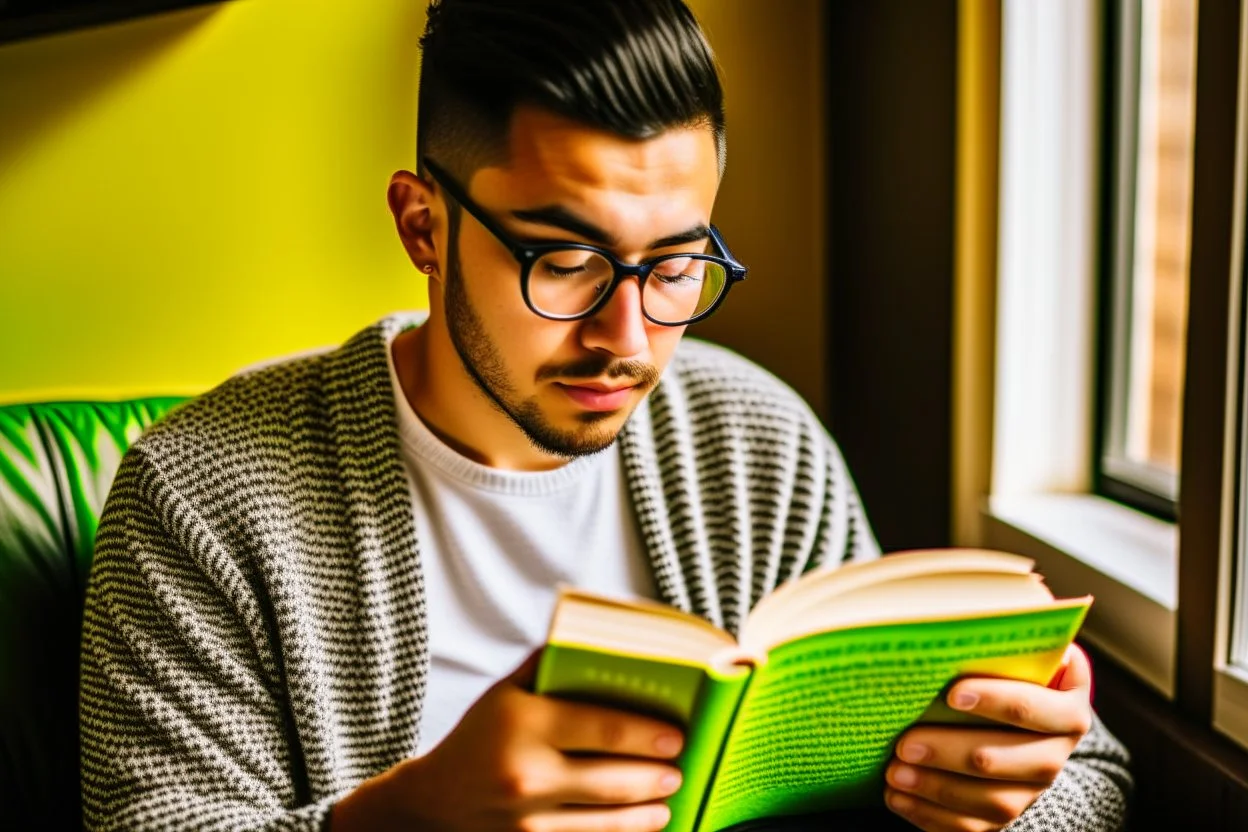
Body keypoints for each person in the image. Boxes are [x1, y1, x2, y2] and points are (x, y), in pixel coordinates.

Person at [79, 1, 1132, 830]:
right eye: (565, 259)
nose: (627, 335)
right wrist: (402, 819)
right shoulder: (204, 493)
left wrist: (1008, 794)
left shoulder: (754, 441)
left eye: (677, 265)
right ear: (422, 224)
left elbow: (1091, 780)